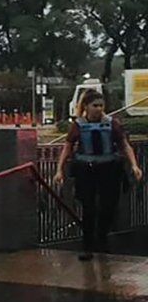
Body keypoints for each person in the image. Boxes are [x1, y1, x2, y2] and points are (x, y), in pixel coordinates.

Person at [55, 89, 143, 260]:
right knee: (88, 207)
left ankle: (102, 241)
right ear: (86, 106)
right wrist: (59, 170)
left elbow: (124, 145)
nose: (99, 109)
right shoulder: (78, 125)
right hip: (85, 170)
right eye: (95, 105)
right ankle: (88, 246)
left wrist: (134, 165)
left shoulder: (112, 124)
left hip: (109, 169)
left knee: (108, 207)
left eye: (101, 105)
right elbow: (67, 147)